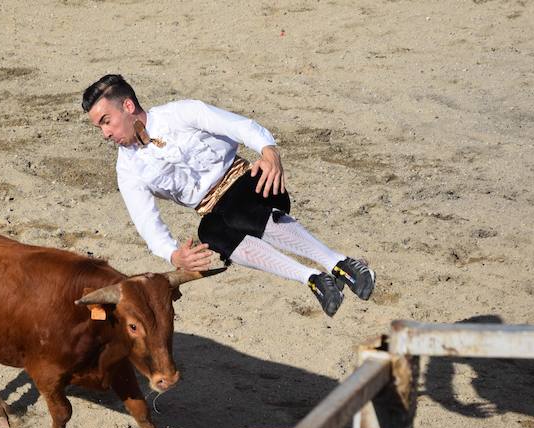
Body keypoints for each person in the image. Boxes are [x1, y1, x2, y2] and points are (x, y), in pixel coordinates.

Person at [81, 74, 375, 317]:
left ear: (128, 106)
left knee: (235, 212)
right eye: (99, 126)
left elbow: (240, 127)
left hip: (255, 185)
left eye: (106, 121)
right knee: (210, 232)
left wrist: (269, 151)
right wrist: (174, 253)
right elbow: (148, 223)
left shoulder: (182, 113)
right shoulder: (128, 168)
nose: (105, 133)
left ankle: (340, 261)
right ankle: (312, 278)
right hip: (214, 211)